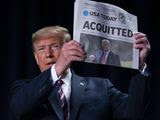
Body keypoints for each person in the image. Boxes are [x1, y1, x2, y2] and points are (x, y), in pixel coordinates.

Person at [10, 26, 151, 120]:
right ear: (35, 58)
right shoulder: (23, 89)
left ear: (70, 48)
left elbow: (134, 114)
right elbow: (18, 109)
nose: (48, 54)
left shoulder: (102, 86)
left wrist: (140, 66)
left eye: (55, 46)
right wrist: (57, 68)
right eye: (41, 49)